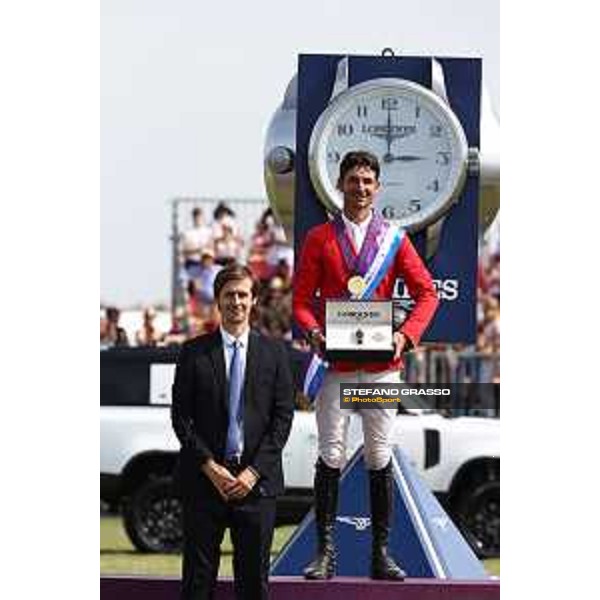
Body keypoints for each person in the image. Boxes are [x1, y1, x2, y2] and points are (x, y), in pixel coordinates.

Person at [293, 151, 439, 581]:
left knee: (378, 454)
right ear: (340, 185)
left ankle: (380, 553)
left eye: (367, 181)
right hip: (336, 366)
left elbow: (427, 293)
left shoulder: (395, 239)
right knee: (330, 455)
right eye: (353, 180)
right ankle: (324, 553)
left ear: (377, 188)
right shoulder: (319, 238)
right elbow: (301, 303)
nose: (359, 187)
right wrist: (314, 333)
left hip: (379, 367)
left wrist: (405, 335)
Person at [171, 263, 295, 600]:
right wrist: (210, 467)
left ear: (254, 300)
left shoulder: (274, 353)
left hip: (256, 487)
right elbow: (182, 418)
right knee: (198, 583)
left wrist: (253, 473)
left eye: (243, 295)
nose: (236, 302)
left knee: (253, 585)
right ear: (217, 300)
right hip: (204, 483)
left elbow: (282, 419)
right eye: (229, 295)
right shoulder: (194, 353)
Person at [181, 207, 213, 281]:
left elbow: (212, 247)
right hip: (193, 265)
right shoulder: (188, 233)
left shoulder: (208, 232)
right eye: (196, 216)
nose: (198, 218)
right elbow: (184, 252)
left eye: (200, 216)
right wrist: (198, 250)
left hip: (206, 266)